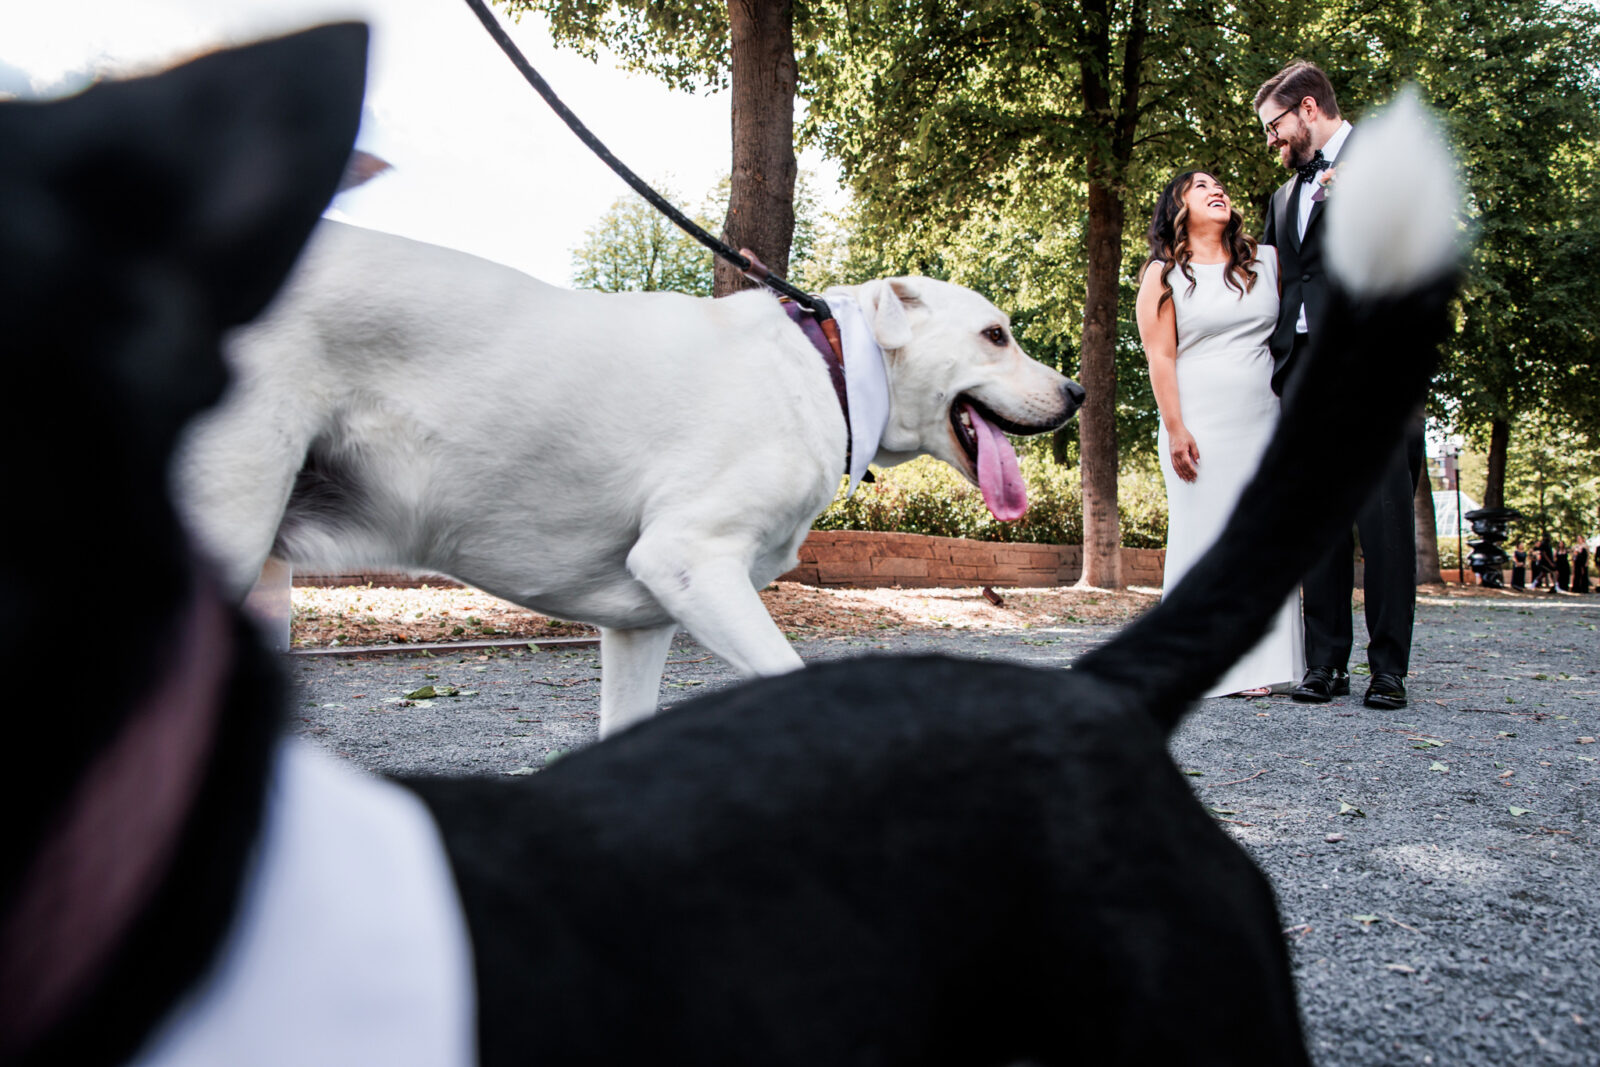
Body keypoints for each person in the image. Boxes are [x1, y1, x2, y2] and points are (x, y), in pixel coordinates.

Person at [1256, 60, 1422, 711]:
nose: (1271, 140)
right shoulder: (1281, 197)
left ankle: (1388, 668)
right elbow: (1278, 283)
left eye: (1274, 127)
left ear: (1306, 108)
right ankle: (1326, 662)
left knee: (1382, 524)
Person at [1136, 169, 1304, 698]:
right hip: (1198, 422)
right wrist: (1175, 427)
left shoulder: (1268, 262)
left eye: (1219, 184)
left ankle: (1263, 665)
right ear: (1177, 206)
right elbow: (1159, 356)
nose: (1217, 190)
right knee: (1205, 534)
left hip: (1263, 417)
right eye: (1200, 185)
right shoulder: (1162, 275)